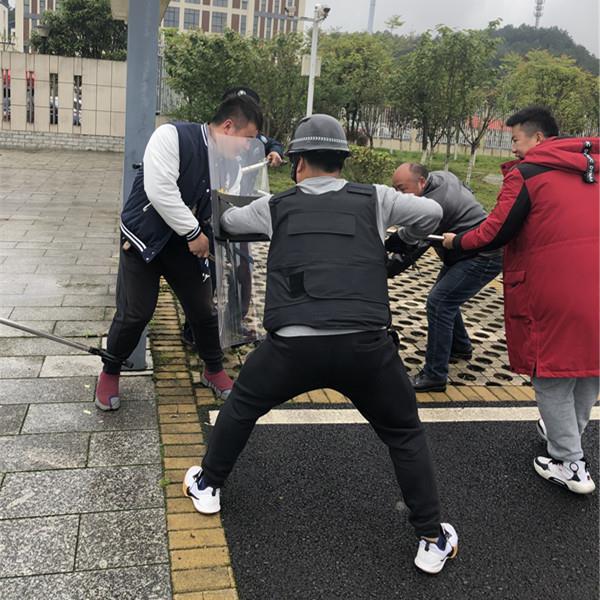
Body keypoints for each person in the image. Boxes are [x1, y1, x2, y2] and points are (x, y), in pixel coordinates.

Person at [183, 114, 459, 575]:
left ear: (298, 163)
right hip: (367, 349)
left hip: (291, 349)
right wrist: (402, 237)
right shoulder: (376, 197)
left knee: (242, 406)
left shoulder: (277, 205)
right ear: (341, 161)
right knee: (404, 434)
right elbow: (431, 214)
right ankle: (432, 538)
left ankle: (208, 485)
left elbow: (227, 221)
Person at [442, 106, 599, 494]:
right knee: (588, 366)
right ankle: (565, 438)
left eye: (515, 139)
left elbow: (496, 231)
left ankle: (569, 463)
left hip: (555, 287)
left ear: (538, 138)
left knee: (550, 371)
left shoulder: (529, 173)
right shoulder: (592, 168)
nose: (512, 148)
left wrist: (457, 241)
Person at [95, 95, 264, 410]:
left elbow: (223, 207)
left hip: (185, 245)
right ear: (229, 126)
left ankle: (213, 370)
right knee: (135, 312)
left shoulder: (231, 165)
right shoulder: (172, 136)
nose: (248, 147)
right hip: (144, 239)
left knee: (204, 310)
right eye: (248, 138)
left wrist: (254, 221)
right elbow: (160, 190)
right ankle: (110, 371)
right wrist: (194, 233)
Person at [181, 86, 285, 348]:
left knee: (242, 273)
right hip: (211, 219)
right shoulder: (209, 144)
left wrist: (275, 152)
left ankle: (235, 324)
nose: (246, 143)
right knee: (208, 275)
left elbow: (271, 143)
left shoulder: (253, 138)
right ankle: (194, 329)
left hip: (240, 215)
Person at [387, 164, 503, 392]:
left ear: (421, 182)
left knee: (439, 302)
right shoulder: (442, 177)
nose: (399, 195)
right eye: (395, 189)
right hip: (463, 252)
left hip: (483, 256)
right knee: (446, 299)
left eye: (402, 189)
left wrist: (382, 269)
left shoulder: (434, 206)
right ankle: (460, 347)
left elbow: (412, 248)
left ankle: (435, 375)